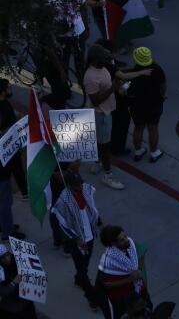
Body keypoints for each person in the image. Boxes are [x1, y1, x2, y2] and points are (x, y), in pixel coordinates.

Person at [52, 168, 102, 311]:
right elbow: (62, 224)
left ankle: (78, 280)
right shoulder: (63, 201)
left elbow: (92, 209)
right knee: (82, 268)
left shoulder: (85, 190)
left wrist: (99, 222)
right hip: (77, 241)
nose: (80, 187)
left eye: (80, 183)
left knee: (84, 264)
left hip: (90, 236)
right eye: (76, 185)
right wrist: (76, 239)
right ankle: (91, 296)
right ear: (69, 186)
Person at [82, 47, 126, 190]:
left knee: (100, 142)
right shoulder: (90, 77)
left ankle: (97, 162)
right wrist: (113, 88)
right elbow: (95, 101)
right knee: (105, 146)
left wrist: (118, 88)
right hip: (100, 114)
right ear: (96, 60)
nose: (108, 60)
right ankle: (108, 175)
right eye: (105, 58)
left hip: (106, 112)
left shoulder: (103, 68)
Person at [126, 46, 166, 162]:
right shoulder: (157, 70)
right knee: (153, 128)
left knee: (138, 128)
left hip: (137, 105)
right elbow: (163, 86)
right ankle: (154, 153)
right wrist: (162, 96)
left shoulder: (134, 71)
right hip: (154, 104)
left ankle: (138, 151)